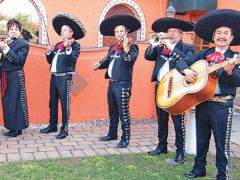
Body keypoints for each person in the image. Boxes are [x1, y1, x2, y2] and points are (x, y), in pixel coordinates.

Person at [176, 9, 240, 179]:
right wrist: (186, 71)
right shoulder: (205, 54)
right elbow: (182, 61)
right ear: (213, 36)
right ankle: (199, 170)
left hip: (222, 106)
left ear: (231, 38)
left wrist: (230, 71)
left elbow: (238, 81)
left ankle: (222, 175)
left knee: (221, 144)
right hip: (203, 102)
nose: (221, 36)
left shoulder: (235, 57)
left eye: (226, 33)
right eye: (218, 33)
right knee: (201, 140)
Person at [145, 17, 195, 164]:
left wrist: (172, 47)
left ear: (181, 35)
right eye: (169, 31)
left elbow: (187, 60)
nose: (171, 34)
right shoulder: (161, 47)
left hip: (176, 89)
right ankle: (162, 146)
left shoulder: (187, 48)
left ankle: (180, 153)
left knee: (178, 121)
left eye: (175, 32)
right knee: (161, 119)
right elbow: (147, 56)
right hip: (160, 87)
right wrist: (153, 44)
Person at [94, 14, 141, 148]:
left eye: (121, 31)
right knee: (113, 111)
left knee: (123, 112)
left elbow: (129, 61)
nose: (119, 33)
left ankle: (125, 138)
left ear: (126, 32)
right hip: (112, 83)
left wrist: (126, 48)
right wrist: (99, 64)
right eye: (117, 31)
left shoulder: (133, 46)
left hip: (123, 84)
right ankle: (112, 134)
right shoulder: (113, 47)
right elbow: (108, 61)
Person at [40, 13, 86, 139]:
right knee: (52, 103)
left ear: (71, 33)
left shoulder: (75, 45)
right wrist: (49, 52)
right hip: (54, 77)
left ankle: (64, 129)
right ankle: (52, 125)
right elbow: (51, 61)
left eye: (64, 31)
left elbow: (71, 60)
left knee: (65, 104)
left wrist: (68, 48)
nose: (62, 32)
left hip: (65, 78)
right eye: (61, 31)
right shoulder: (58, 45)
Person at [0, 18, 29, 137]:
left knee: (15, 102)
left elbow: (18, 61)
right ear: (8, 30)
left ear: (20, 31)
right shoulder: (8, 42)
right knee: (7, 103)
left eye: (16, 29)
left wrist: (6, 49)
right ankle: (13, 127)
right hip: (5, 76)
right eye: (11, 29)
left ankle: (17, 129)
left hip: (15, 76)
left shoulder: (23, 44)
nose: (13, 31)